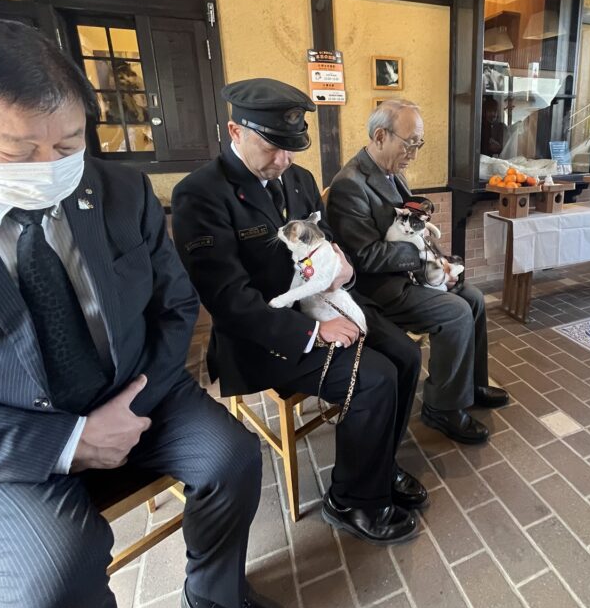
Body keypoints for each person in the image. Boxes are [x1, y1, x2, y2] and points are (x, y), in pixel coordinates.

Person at [0, 19, 271, 608]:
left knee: (232, 459)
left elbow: (175, 305)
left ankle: (213, 596)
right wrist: (68, 442)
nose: (49, 167)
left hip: (132, 391)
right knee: (56, 579)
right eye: (18, 151)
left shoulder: (119, 189)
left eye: (69, 144)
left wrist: (131, 404)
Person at [170, 78, 425, 545]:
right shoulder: (201, 194)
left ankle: (378, 465)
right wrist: (313, 332)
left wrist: (343, 269)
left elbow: (326, 245)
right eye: (272, 147)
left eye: (291, 147)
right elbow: (228, 299)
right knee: (375, 377)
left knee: (405, 356)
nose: (284, 160)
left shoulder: (300, 180)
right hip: (264, 334)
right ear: (235, 131)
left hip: (321, 302)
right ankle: (352, 500)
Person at [326, 99, 508, 445]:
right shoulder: (350, 184)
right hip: (378, 290)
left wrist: (440, 262)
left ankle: (470, 386)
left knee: (473, 297)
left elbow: (415, 228)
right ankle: (442, 408)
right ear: (380, 136)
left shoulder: (392, 172)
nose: (414, 153)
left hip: (408, 275)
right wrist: (422, 259)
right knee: (456, 312)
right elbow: (364, 257)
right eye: (409, 143)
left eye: (418, 144)